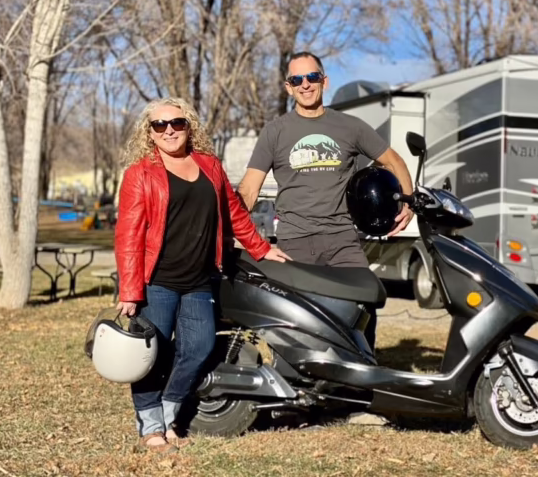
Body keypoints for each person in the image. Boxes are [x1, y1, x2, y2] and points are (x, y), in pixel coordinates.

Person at [114, 97, 290, 453]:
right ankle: (151, 428)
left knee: (199, 348)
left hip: (199, 279)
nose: (169, 130)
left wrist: (260, 248)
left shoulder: (210, 165)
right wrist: (130, 290)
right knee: (151, 356)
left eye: (176, 123)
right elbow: (128, 235)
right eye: (160, 125)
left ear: (188, 126)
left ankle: (168, 416)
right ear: (149, 133)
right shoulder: (140, 174)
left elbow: (234, 212)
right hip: (156, 281)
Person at [237, 51, 414, 355]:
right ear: (288, 87)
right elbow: (249, 189)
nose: (305, 84)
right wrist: (234, 231)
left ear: (324, 81)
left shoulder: (350, 126)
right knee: (296, 319)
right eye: (297, 80)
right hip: (295, 241)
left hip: (342, 239)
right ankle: (295, 376)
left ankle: (361, 367)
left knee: (363, 305)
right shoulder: (275, 132)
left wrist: (406, 203)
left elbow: (394, 161)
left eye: (312, 77)